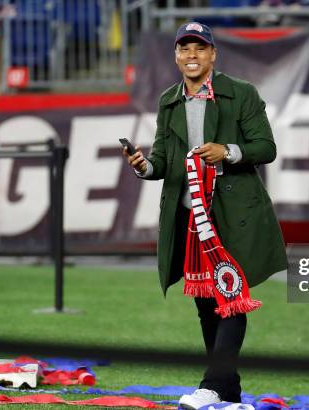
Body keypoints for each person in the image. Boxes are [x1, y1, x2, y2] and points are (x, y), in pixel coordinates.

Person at [123, 22, 287, 409]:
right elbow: (162, 161)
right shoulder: (168, 100)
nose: (191, 55)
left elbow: (265, 147)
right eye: (184, 49)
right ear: (176, 56)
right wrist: (143, 165)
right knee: (205, 302)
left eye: (199, 48)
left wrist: (227, 151)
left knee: (232, 296)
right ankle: (229, 393)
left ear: (213, 55)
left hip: (233, 215)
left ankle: (211, 385)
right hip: (191, 215)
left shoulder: (241, 93)